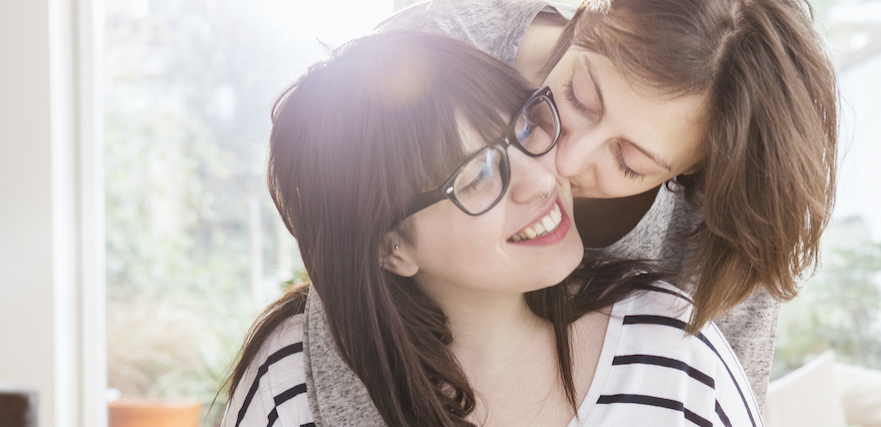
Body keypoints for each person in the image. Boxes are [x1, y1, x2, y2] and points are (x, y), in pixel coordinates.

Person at [220, 31, 762, 427]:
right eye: (477, 176)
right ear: (390, 247)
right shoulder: (290, 383)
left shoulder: (674, 351)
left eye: (524, 127)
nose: (544, 176)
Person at [374, 0, 840, 405]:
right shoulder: (431, 55)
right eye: (578, 97)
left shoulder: (732, 217)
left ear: (695, 171)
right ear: (581, 18)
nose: (566, 161)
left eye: (630, 162)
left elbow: (727, 398)